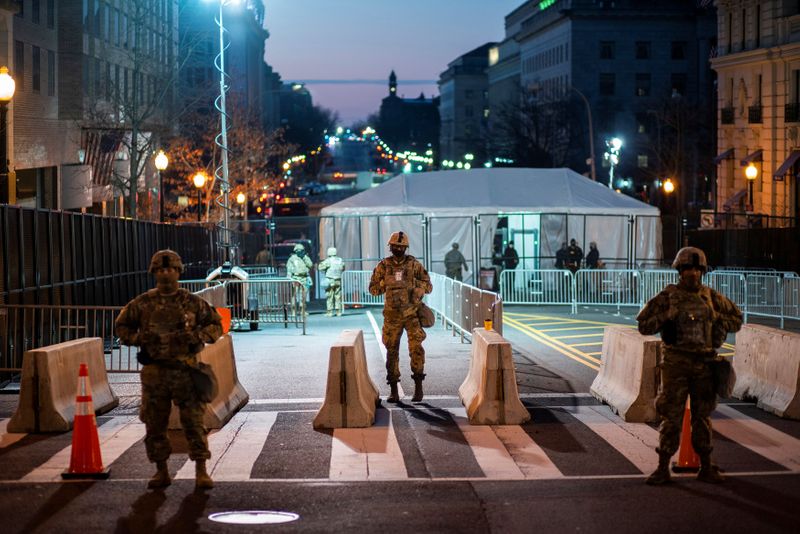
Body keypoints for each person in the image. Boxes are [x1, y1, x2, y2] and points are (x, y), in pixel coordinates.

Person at [115, 250, 223, 490]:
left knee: (194, 423)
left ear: (178, 272)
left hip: (186, 371)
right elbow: (121, 327)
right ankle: (161, 471)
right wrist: (140, 338)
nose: (166, 274)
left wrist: (197, 337)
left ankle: (201, 471)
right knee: (155, 424)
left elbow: (216, 325)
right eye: (161, 270)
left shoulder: (192, 302)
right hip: (155, 374)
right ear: (154, 272)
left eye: (171, 269)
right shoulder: (142, 303)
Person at [637, 246, 742, 486]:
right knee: (671, 418)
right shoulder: (668, 297)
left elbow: (736, 320)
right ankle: (662, 467)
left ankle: (706, 466)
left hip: (704, 365)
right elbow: (644, 325)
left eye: (696, 268)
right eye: (687, 268)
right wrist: (666, 317)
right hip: (675, 365)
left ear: (703, 271)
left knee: (702, 417)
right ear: (679, 271)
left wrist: (717, 320)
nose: (692, 273)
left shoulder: (711, 298)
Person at [368, 231, 432, 403]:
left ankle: (418, 388)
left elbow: (428, 285)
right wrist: (385, 283)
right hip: (392, 317)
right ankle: (394, 390)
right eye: (395, 246)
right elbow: (372, 289)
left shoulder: (414, 265)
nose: (398, 249)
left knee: (416, 350)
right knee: (391, 352)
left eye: (401, 247)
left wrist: (417, 287)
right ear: (390, 247)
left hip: (412, 315)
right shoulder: (384, 265)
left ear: (405, 248)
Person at [286, 243, 313, 316]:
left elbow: (310, 265)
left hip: (304, 278)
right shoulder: (292, 258)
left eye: (301, 251)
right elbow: (289, 268)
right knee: (294, 296)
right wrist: (289, 276)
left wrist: (305, 258)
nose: (299, 252)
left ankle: (302, 311)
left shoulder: (305, 257)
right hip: (295, 278)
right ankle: (293, 311)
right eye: (298, 250)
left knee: (303, 296)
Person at [318, 246, 345, 316]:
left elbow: (320, 267)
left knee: (329, 296)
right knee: (338, 296)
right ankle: (338, 311)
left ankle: (329, 312)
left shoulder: (328, 260)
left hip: (330, 280)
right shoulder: (340, 260)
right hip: (338, 280)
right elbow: (343, 268)